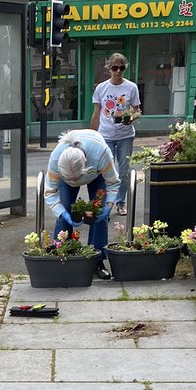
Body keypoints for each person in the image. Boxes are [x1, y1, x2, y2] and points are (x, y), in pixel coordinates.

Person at [43, 129, 120, 278]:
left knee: (98, 215)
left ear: (85, 164)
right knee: (64, 211)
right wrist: (61, 212)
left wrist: (108, 206)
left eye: (76, 178)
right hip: (68, 177)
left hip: (96, 175)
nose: (75, 183)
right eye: (70, 179)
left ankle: (97, 261)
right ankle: (62, 258)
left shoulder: (101, 153)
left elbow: (112, 183)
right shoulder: (55, 159)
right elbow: (50, 192)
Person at [90, 52, 140, 217]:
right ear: (109, 69)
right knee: (106, 172)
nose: (118, 71)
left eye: (121, 67)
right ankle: (105, 204)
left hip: (125, 135)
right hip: (106, 135)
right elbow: (96, 113)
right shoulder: (101, 88)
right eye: (115, 67)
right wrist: (92, 135)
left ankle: (120, 202)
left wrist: (131, 118)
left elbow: (137, 110)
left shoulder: (131, 87)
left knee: (124, 172)